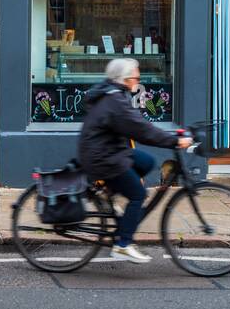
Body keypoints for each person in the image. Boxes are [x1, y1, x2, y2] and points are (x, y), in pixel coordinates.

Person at [77, 58, 191, 264]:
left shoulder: (114, 94)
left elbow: (138, 126)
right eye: (137, 77)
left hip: (109, 149)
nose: (138, 81)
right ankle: (123, 245)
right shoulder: (116, 102)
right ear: (126, 79)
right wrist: (174, 141)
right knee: (138, 194)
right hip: (103, 157)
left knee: (147, 162)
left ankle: (112, 192)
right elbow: (142, 130)